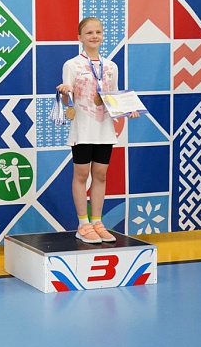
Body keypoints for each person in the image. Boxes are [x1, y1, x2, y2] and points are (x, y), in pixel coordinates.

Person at [56, 17, 139, 244]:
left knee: (100, 174)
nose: (94, 36)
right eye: (89, 33)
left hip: (104, 128)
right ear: (80, 37)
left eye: (98, 32)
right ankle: (83, 224)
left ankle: (97, 222)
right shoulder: (72, 65)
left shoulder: (111, 66)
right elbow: (67, 102)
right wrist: (65, 92)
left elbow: (113, 98)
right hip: (83, 128)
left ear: (102, 35)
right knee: (82, 175)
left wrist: (127, 110)